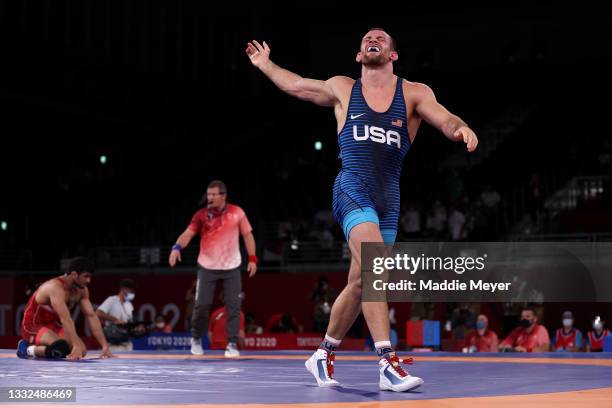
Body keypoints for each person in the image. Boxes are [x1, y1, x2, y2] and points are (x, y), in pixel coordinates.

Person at [247, 28, 478, 392]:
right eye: (367, 39)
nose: (374, 40)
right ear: (359, 55)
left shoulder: (414, 93)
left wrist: (462, 129)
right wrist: (266, 64)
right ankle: (386, 361)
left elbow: (445, 118)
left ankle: (322, 354)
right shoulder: (343, 87)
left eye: (381, 38)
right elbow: (296, 85)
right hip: (352, 187)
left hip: (389, 200)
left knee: (359, 283)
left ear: (393, 54)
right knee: (374, 268)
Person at [169, 180, 257, 358]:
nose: (209, 198)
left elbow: (248, 236)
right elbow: (188, 234)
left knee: (234, 306)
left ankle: (232, 343)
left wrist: (253, 258)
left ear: (223, 196)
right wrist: (176, 248)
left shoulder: (237, 212)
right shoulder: (201, 215)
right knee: (201, 305)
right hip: (207, 266)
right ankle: (195, 338)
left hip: (231, 266)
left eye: (213, 195)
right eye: (208, 195)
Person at [17, 257, 113, 360]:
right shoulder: (54, 287)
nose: (89, 281)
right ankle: (26, 349)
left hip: (53, 325)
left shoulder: (82, 290)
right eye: (86, 276)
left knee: (82, 351)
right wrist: (75, 345)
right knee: (61, 348)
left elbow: (91, 316)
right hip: (33, 325)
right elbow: (65, 319)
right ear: (74, 274)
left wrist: (104, 345)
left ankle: (42, 347)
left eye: (90, 277)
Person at [96, 278, 138, 351]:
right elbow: (98, 313)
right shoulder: (112, 300)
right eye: (131, 291)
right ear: (124, 289)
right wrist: (115, 320)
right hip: (113, 344)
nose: (132, 294)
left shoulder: (129, 305)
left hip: (127, 343)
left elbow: (129, 321)